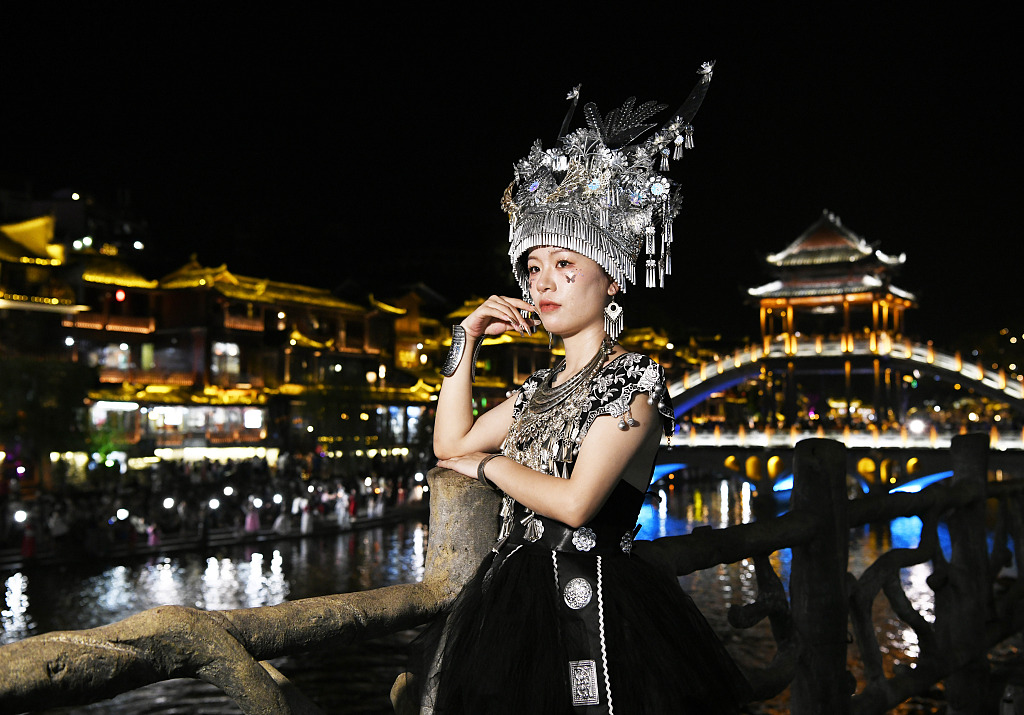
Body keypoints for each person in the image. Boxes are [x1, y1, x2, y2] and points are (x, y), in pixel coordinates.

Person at [414, 63, 750, 714]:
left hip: (596, 609)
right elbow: (447, 442)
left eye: (565, 265)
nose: (542, 283)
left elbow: (573, 503)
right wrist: (467, 335)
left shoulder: (636, 381)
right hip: (512, 607)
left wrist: (487, 463)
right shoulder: (539, 386)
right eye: (533, 267)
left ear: (613, 278)